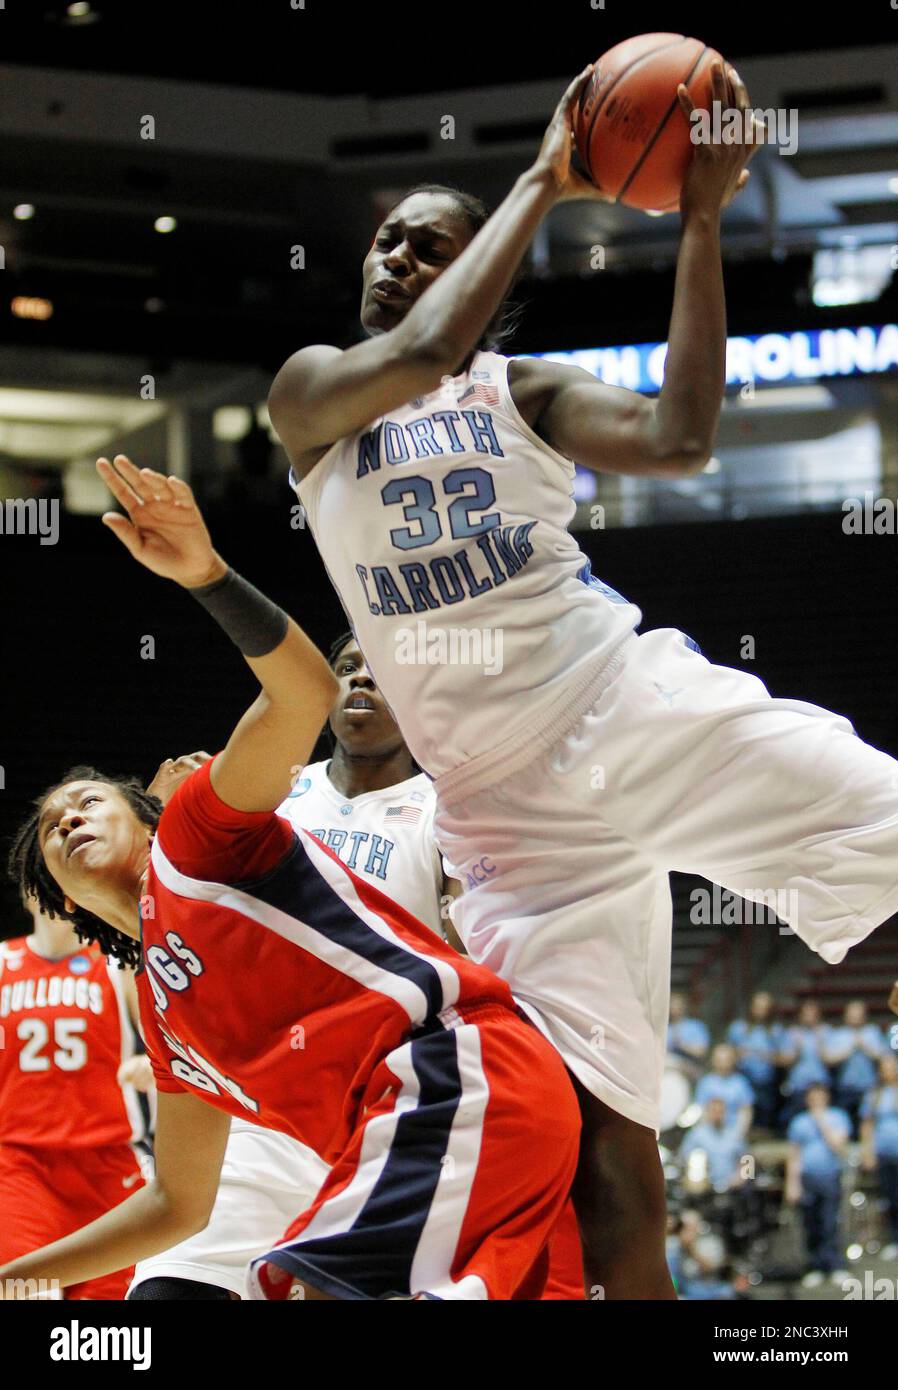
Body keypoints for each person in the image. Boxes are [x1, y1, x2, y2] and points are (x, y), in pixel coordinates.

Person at [266, 55, 898, 1299]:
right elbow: (424, 344)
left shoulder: (523, 391)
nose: (400, 256)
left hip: (624, 709)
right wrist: (543, 180)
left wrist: (703, 220)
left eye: (433, 246)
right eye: (390, 239)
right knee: (608, 1148)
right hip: (507, 819)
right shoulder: (312, 400)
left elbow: (682, 438)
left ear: (491, 282)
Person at [0, 456, 580, 1302]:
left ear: (148, 810)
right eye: (52, 829)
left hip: (447, 1070)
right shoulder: (166, 1027)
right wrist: (19, 1274)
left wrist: (206, 575)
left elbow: (302, 692)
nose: (69, 819)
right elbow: (174, 1205)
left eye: (87, 801)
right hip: (386, 1129)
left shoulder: (197, 836)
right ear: (56, 894)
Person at [0, 890, 148, 1299]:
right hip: (21, 1166)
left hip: (109, 1162)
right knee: (23, 1290)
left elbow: (170, 1044)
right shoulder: (1, 963)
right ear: (25, 897)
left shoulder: (118, 961)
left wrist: (152, 1066)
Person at [785, 1082, 851, 1285]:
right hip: (807, 1178)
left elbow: (837, 1144)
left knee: (830, 1222)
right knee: (810, 1223)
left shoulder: (837, 1117)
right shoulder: (799, 1122)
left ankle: (835, 1264)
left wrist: (821, 1120)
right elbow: (794, 1155)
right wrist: (792, 1183)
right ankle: (815, 1265)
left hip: (829, 1176)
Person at [822, 1000, 886, 1137]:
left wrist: (865, 1047)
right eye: (852, 1014)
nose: (856, 1017)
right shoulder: (838, 1034)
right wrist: (849, 1050)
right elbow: (828, 1059)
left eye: (859, 1014)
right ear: (846, 1016)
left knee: (867, 1123)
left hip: (868, 1087)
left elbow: (883, 1057)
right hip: (845, 1087)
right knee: (845, 1122)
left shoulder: (872, 1032)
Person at [727, 991, 784, 1131]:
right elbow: (728, 1052)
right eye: (757, 1006)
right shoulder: (738, 1028)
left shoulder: (776, 1031)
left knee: (766, 1116)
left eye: (765, 1007)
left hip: (768, 1081)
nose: (761, 1011)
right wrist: (738, 1054)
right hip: (744, 1078)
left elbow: (785, 1057)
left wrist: (768, 1056)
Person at [860, 1052, 898, 1258]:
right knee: (890, 1197)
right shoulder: (875, 1095)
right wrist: (868, 1151)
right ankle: (894, 1239)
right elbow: (867, 1125)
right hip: (884, 1153)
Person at [679, 1097, 746, 1194]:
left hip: (732, 1189)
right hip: (704, 1189)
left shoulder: (735, 1134)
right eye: (714, 1110)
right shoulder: (697, 1134)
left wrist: (741, 1177)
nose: (717, 1114)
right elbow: (684, 1158)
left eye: (720, 1111)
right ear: (708, 1111)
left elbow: (748, 1159)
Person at [780, 1001, 831, 1128]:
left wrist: (821, 1045)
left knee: (822, 1120)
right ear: (800, 1016)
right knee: (797, 1121)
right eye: (806, 1014)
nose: (809, 1017)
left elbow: (831, 1060)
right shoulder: (792, 1033)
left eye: (812, 1014)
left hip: (820, 1084)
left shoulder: (826, 1032)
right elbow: (784, 1061)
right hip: (798, 1085)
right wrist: (796, 1050)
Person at [695, 1045, 754, 1138]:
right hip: (709, 1131)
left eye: (726, 1059)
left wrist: (739, 1133)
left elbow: (746, 1111)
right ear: (713, 1060)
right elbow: (701, 1109)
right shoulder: (706, 1082)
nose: (723, 1063)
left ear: (733, 1060)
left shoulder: (741, 1083)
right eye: (719, 1060)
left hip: (733, 1131)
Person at [667, 992, 710, 1079]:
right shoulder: (666, 1028)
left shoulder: (695, 1026)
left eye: (678, 1005)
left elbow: (701, 1052)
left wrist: (681, 1045)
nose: (675, 1008)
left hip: (691, 1068)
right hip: (669, 1069)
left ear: (684, 1006)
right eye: (672, 1005)